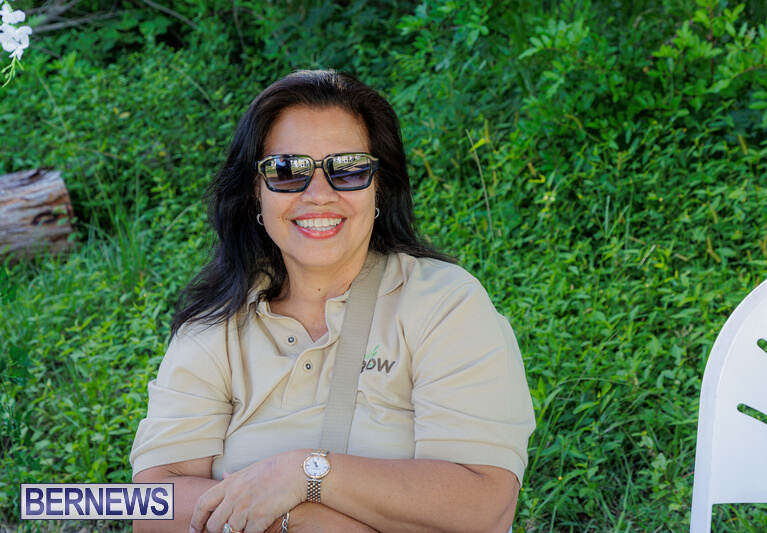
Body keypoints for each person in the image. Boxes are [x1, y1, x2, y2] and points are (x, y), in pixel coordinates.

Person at [130, 70, 535, 533]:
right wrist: (301, 519)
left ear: (379, 186)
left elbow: (484, 504)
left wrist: (304, 474)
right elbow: (150, 506)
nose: (319, 195)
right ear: (255, 192)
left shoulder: (444, 305)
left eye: (349, 168)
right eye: (287, 170)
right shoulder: (215, 325)